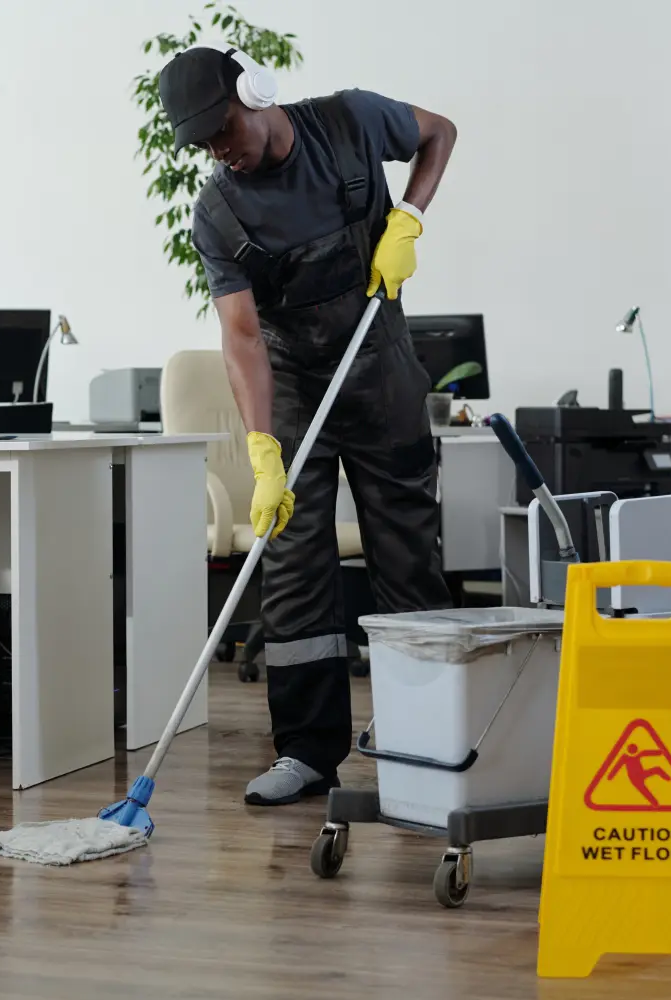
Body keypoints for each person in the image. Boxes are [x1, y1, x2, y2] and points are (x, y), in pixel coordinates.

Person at [157, 46, 458, 805]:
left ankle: (423, 737)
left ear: (253, 91)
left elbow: (440, 131)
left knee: (407, 555)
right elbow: (243, 338)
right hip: (293, 386)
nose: (219, 151)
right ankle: (305, 752)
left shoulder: (351, 121)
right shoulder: (218, 212)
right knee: (292, 568)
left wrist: (410, 217)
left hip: (380, 371)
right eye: (203, 144)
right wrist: (262, 450)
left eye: (223, 128)